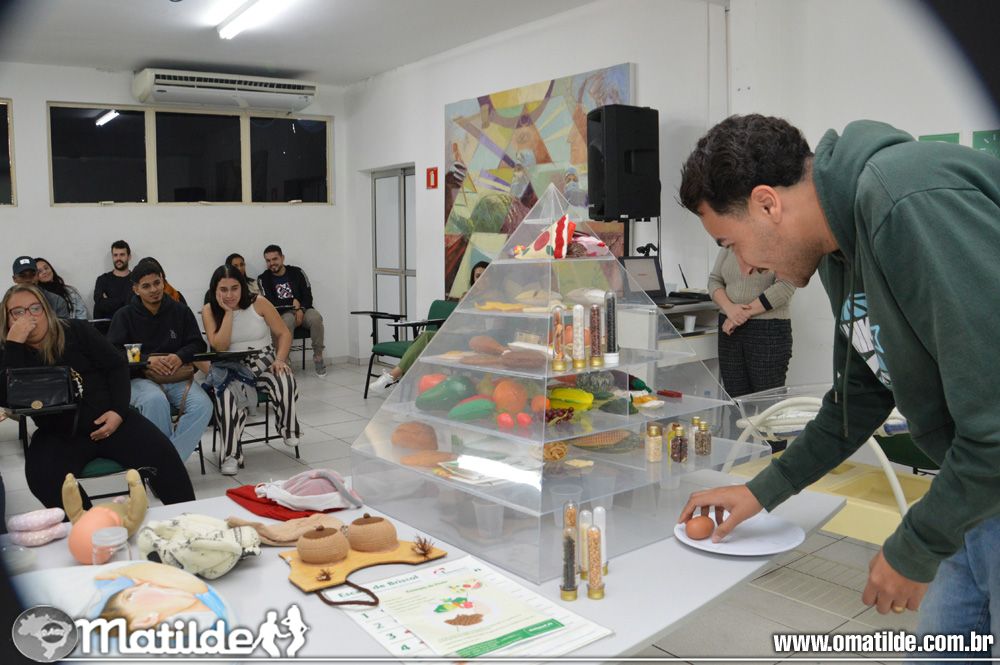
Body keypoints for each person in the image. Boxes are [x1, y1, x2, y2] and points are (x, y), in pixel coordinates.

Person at [677, 114, 1000, 656]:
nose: (744, 267)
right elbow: (857, 399)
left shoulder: (907, 201)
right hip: (973, 492)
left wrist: (915, 546)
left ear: (766, 204)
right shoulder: (837, 249)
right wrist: (762, 491)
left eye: (731, 243)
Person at [0, 284, 195, 509]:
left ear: (46, 310)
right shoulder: (10, 350)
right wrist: (14, 345)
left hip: (111, 420)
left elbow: (117, 365)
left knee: (163, 455)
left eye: (35, 308)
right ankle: (87, 522)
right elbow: (7, 397)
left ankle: (187, 516)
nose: (29, 317)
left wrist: (118, 412)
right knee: (42, 476)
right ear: (8, 319)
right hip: (59, 433)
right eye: (18, 312)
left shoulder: (75, 330)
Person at [107, 259, 213, 463]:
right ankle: (166, 465)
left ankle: (166, 463)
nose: (154, 290)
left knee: (203, 406)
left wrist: (179, 356)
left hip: (176, 376)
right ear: (136, 289)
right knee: (155, 401)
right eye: (146, 286)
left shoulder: (180, 311)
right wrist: (146, 360)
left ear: (163, 281)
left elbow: (197, 343)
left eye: (157, 283)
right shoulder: (124, 316)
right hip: (140, 379)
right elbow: (114, 352)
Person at [202, 265, 302, 475]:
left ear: (242, 287)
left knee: (284, 379)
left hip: (264, 362)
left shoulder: (259, 302)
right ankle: (230, 455)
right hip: (231, 369)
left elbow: (284, 333)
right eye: (223, 289)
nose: (230, 295)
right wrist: (228, 313)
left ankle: (287, 427)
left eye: (234, 288)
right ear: (215, 290)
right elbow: (219, 346)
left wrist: (280, 359)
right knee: (227, 398)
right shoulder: (210, 310)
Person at [368, 261, 487, 395]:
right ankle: (396, 380)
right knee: (424, 343)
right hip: (455, 336)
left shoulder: (495, 297)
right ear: (473, 278)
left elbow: (486, 326)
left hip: (473, 341)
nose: (481, 279)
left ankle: (393, 378)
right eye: (478, 276)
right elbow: (455, 320)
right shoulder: (467, 296)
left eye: (485, 276)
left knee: (425, 339)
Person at [708, 247, 795, 398]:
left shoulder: (782, 241)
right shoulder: (730, 242)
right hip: (729, 328)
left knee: (768, 402)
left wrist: (741, 314)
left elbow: (786, 286)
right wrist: (729, 309)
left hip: (767, 329)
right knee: (736, 400)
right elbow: (714, 280)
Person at [257, 245, 325, 376]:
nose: (272, 263)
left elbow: (308, 296)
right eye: (268, 260)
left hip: (304, 309)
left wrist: (300, 309)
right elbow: (269, 303)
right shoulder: (263, 278)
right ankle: (284, 361)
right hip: (282, 313)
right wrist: (293, 305)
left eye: (275, 259)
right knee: (286, 321)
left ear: (282, 258)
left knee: (316, 318)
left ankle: (318, 356)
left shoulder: (297, 272)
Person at [93, 240, 133, 320]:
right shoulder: (102, 280)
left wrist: (108, 301)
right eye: (115, 255)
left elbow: (136, 307)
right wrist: (126, 301)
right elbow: (99, 304)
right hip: (107, 326)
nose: (118, 258)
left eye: (122, 255)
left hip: (131, 324)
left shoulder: (136, 280)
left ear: (129, 257)